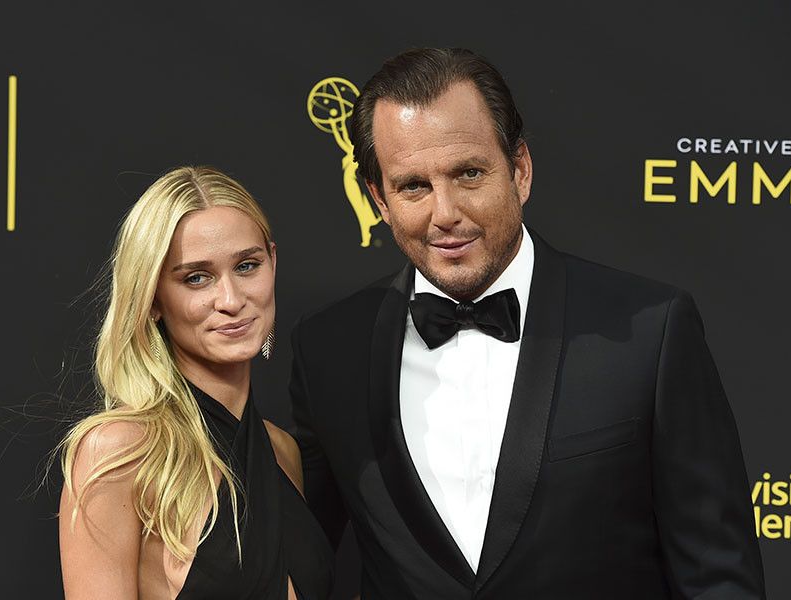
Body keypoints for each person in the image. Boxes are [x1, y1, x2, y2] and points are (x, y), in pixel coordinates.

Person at [290, 48, 766, 599]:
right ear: (379, 199)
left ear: (520, 171)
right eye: (413, 186)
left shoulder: (648, 332)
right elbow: (299, 564)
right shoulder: (329, 349)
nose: (445, 212)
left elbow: (717, 578)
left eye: (469, 174)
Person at [59, 166, 333, 600]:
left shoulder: (283, 451)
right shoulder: (118, 452)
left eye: (247, 266)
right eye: (196, 278)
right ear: (152, 300)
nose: (231, 300)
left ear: (273, 263)